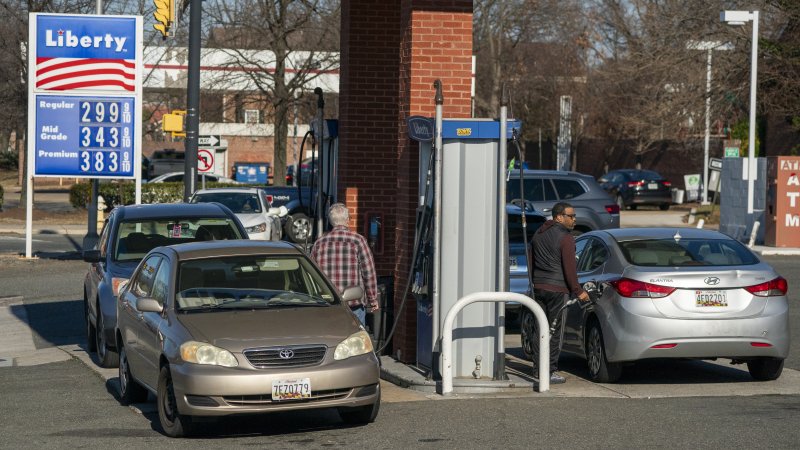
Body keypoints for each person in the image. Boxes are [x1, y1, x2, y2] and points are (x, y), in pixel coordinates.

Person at [529, 202, 589, 384]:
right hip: (557, 290)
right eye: (570, 216)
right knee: (555, 332)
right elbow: (570, 269)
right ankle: (549, 370)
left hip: (538, 287)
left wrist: (534, 283)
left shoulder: (539, 233)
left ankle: (538, 368)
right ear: (558, 217)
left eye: (574, 216)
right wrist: (578, 291)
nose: (574, 219)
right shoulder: (566, 238)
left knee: (539, 329)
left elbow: (531, 260)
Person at [311, 203, 379, 326]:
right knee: (355, 341)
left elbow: (311, 274)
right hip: (353, 304)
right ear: (348, 220)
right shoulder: (358, 240)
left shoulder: (319, 243)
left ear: (331, 221)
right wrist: (373, 298)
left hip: (326, 303)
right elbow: (368, 272)